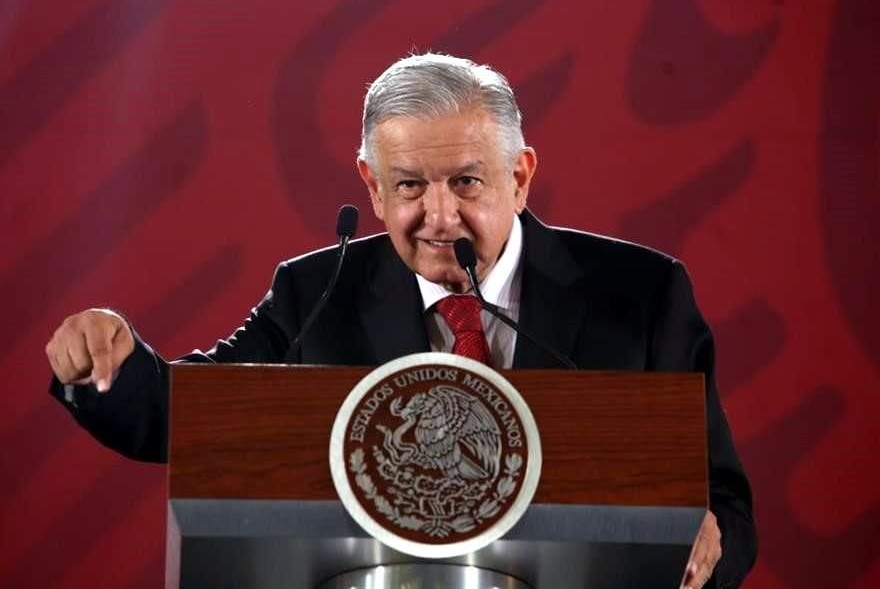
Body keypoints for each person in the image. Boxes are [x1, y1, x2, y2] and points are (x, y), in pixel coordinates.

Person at [46, 53, 757, 589]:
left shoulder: (639, 293)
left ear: (521, 176)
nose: (440, 217)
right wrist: (106, 362)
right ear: (372, 186)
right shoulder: (315, 293)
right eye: (411, 185)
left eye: (468, 182)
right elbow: (187, 414)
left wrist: (707, 542)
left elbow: (722, 500)